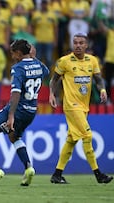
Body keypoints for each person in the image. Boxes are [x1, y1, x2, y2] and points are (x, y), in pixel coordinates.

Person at [0, 39, 49, 186]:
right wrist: (33, 57)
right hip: (31, 111)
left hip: (18, 109)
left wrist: (10, 115)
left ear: (19, 53)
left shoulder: (18, 68)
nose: (12, 56)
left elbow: (15, 92)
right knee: (14, 136)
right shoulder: (39, 65)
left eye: (13, 53)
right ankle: (28, 168)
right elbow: (46, 72)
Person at [48, 33, 113, 184]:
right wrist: (52, 94)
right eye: (75, 42)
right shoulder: (64, 61)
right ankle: (98, 174)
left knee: (71, 140)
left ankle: (57, 174)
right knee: (88, 136)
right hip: (71, 106)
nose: (77, 45)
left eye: (81, 43)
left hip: (84, 106)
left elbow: (98, 80)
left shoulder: (92, 61)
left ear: (86, 45)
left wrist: (103, 90)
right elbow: (54, 79)